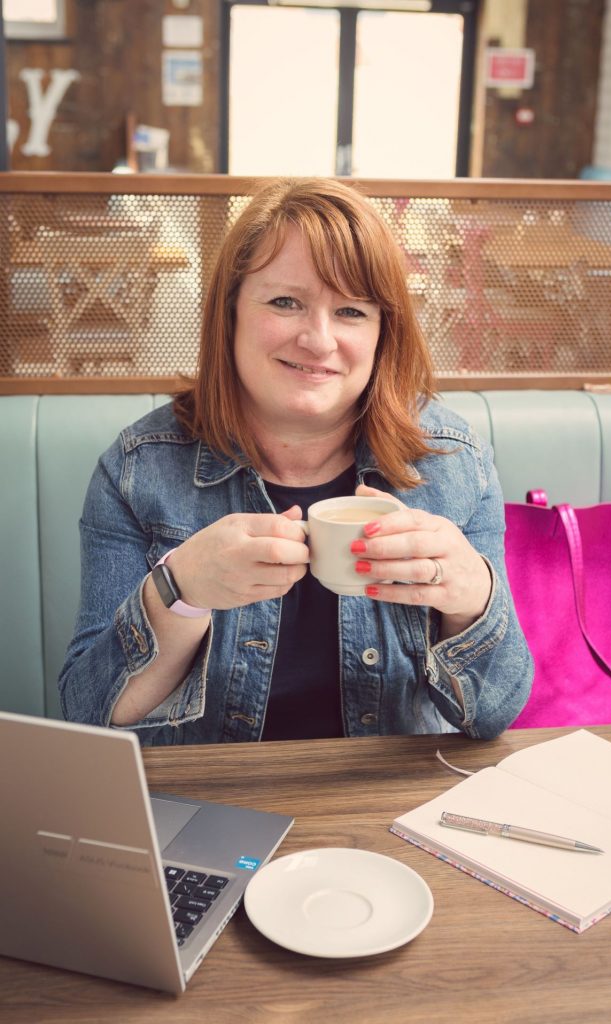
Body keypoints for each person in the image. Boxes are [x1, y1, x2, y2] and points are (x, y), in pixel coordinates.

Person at [59, 177, 533, 744]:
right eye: (286, 302)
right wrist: (179, 589)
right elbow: (88, 715)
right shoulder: (140, 469)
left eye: (352, 311)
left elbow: (497, 712)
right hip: (210, 806)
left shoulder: (453, 461)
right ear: (230, 311)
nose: (319, 339)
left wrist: (471, 595)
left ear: (384, 333)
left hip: (386, 810)